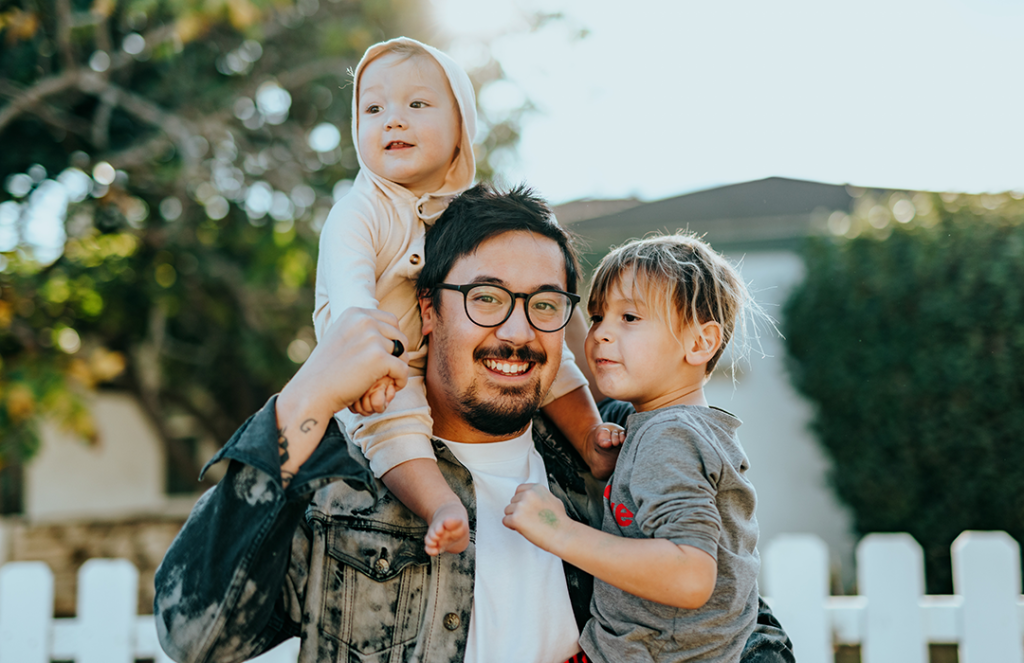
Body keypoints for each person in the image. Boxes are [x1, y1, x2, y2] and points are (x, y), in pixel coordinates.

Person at [154, 185, 794, 663]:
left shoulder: (613, 447)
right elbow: (194, 636)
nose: (517, 332)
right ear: (428, 312)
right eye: (486, 298)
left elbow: (732, 606)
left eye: (544, 305)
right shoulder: (337, 475)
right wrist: (303, 398)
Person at [313, 37, 621, 557]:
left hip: (428, 355)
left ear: (461, 128)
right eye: (373, 108)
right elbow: (351, 303)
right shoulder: (359, 211)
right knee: (394, 428)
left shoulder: (469, 214)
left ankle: (591, 438)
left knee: (553, 355)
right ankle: (440, 505)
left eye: (416, 105)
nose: (393, 120)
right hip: (378, 366)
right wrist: (369, 369)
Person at [504, 233, 768, 662]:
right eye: (596, 317)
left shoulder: (670, 437)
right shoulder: (677, 429)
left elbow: (690, 575)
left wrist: (558, 530)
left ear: (700, 343)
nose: (602, 334)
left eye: (629, 318)